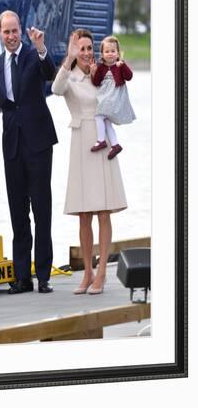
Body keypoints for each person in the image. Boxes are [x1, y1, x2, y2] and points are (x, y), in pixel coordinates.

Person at [0, 10, 58, 294]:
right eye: (6, 32)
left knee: (42, 208)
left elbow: (51, 75)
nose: (11, 36)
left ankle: (44, 275)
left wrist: (42, 48)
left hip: (38, 142)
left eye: (14, 31)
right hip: (12, 144)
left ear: (21, 30)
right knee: (18, 211)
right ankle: (22, 276)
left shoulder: (35, 56)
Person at [51, 29, 127, 295]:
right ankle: (87, 273)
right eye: (81, 48)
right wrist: (67, 59)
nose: (86, 53)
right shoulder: (69, 76)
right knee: (83, 214)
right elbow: (55, 89)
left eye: (88, 47)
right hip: (80, 141)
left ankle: (103, 271)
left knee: (103, 210)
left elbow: (116, 96)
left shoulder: (101, 73)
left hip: (102, 140)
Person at [90, 35, 136, 160]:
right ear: (102, 54)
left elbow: (129, 77)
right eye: (107, 51)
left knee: (99, 116)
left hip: (115, 98)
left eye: (113, 51)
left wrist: (123, 66)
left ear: (118, 53)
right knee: (107, 122)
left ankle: (101, 141)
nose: (110, 54)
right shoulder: (101, 68)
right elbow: (96, 83)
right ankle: (115, 145)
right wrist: (93, 72)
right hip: (106, 97)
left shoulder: (119, 65)